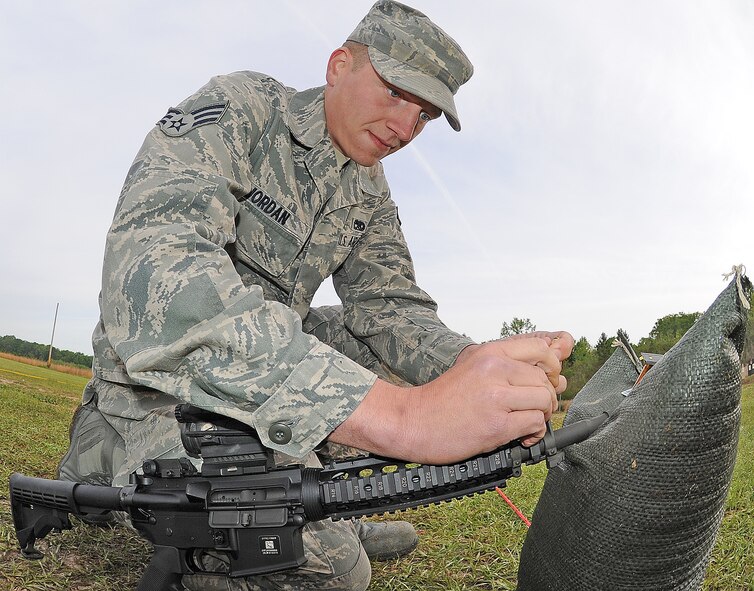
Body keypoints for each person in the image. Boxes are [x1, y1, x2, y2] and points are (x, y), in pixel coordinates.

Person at [57, 1, 573, 589]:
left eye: (425, 114)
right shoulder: (244, 108)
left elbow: (390, 308)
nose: (407, 127)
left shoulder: (367, 190)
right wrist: (403, 417)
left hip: (260, 390)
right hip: (161, 384)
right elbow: (155, 267)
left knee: (366, 338)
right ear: (339, 65)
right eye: (397, 93)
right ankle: (104, 442)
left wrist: (479, 370)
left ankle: (330, 514)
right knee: (338, 576)